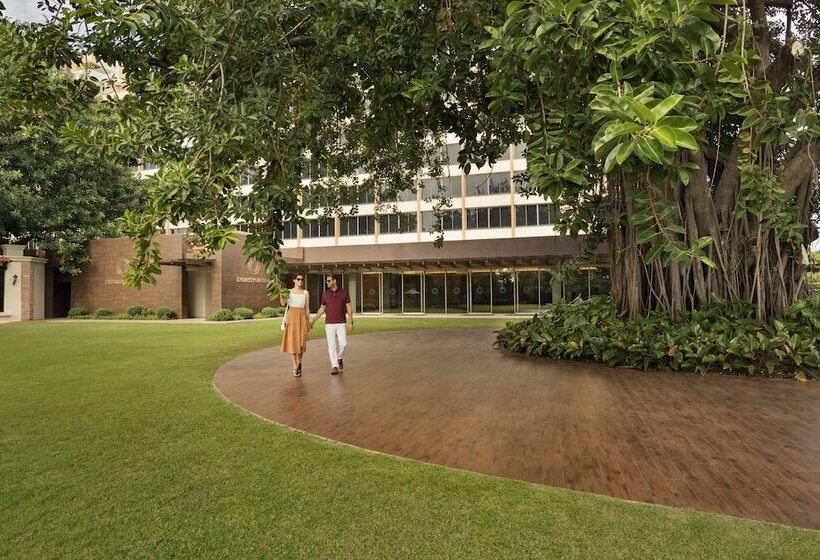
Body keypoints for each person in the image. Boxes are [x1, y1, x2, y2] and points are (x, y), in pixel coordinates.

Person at [309, 274, 354, 375]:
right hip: (329, 324)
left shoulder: (344, 293)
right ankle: (334, 366)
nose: (327, 283)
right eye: (327, 281)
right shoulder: (325, 294)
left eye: (329, 281)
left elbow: (349, 307)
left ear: (335, 281)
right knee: (331, 346)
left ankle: (339, 357)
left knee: (343, 343)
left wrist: (351, 322)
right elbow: (322, 308)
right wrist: (313, 321)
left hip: (341, 323)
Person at [280, 274, 310, 377]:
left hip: (302, 318)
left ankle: (300, 362)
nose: (300, 281)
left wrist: (308, 322)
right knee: (292, 342)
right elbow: (283, 303)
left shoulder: (306, 293)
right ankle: (295, 366)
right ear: (294, 280)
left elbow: (307, 309)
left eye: (302, 279)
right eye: (298, 279)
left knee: (301, 344)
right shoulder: (288, 292)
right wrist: (281, 293)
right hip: (292, 317)